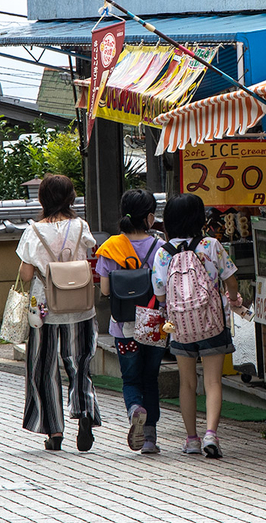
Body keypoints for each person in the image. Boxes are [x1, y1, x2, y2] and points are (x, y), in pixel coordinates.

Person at [153, 193, 244, 459]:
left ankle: (191, 439)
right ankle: (211, 435)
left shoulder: (163, 252)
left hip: (180, 325)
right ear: (199, 217)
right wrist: (235, 299)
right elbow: (231, 280)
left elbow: (159, 293)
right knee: (213, 381)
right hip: (212, 322)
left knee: (187, 383)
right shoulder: (211, 245)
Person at [16, 173, 100, 452]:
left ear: (42, 198)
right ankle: (85, 413)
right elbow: (90, 252)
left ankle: (54, 431)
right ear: (70, 197)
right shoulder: (80, 225)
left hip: (44, 308)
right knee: (79, 363)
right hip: (79, 303)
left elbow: (26, 274)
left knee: (44, 367)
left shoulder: (33, 231)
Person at [95, 189, 165, 454]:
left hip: (123, 326)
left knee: (131, 378)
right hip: (154, 323)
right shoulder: (159, 247)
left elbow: (104, 291)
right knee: (151, 378)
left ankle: (135, 408)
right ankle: (149, 439)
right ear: (149, 218)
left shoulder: (111, 247)